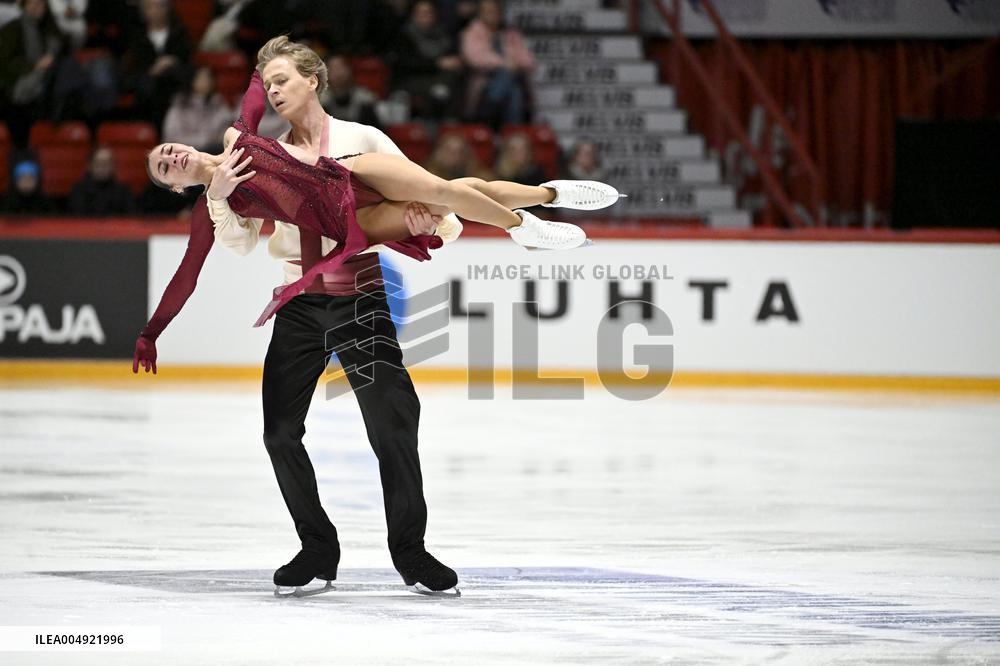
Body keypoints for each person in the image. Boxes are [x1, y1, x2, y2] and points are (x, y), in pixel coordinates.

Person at [133, 36, 620, 596]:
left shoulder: (354, 139)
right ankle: (317, 546)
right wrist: (214, 201)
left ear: (312, 81)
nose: (274, 90)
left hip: (357, 289)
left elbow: (430, 194)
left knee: (393, 423)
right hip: (297, 301)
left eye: (283, 80)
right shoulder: (247, 158)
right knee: (278, 434)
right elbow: (233, 247)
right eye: (161, 169)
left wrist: (430, 224)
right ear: (173, 185)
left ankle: (410, 552)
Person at [460, 0, 534, 127]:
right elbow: (474, 58)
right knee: (512, 87)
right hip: (483, 82)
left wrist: (515, 64)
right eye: (488, 11)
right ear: (480, 14)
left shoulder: (511, 34)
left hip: (509, 80)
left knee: (512, 86)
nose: (492, 14)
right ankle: (511, 131)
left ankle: (491, 108)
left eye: (495, 11)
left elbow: (529, 60)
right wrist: (503, 63)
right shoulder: (472, 32)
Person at [121, 0, 193, 126]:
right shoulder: (136, 35)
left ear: (167, 8)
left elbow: (187, 60)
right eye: (150, 7)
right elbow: (131, 66)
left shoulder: (179, 32)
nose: (155, 11)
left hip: (173, 84)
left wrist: (171, 61)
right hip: (146, 88)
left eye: (160, 7)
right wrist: (152, 70)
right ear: (144, 11)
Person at [395, 0, 464, 121]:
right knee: (437, 92)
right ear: (413, 15)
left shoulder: (442, 34)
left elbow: (452, 57)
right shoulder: (404, 36)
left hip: (440, 78)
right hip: (412, 80)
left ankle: (452, 123)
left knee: (453, 81)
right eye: (422, 13)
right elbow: (407, 64)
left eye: (429, 13)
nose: (426, 16)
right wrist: (437, 63)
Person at [162, 65, 235, 153]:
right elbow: (171, 136)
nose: (206, 81)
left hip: (212, 152)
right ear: (192, 80)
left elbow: (226, 130)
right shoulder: (179, 104)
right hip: (184, 152)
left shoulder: (218, 102)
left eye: (208, 78)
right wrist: (202, 140)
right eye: (201, 77)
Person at [68, 146, 135, 216]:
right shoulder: (79, 190)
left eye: (107, 163)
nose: (103, 167)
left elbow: (131, 218)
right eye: (99, 163)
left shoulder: (123, 190)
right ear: (89, 165)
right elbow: (76, 218)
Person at [319, 55, 380, 129]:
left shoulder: (365, 100)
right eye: (333, 69)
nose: (338, 73)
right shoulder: (320, 102)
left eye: (341, 68)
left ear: (350, 70)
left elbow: (375, 132)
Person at [423, 132, 494, 182]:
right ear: (438, 152)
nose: (453, 155)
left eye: (459, 151)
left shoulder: (481, 178)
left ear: (467, 154)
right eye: (448, 150)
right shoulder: (426, 176)